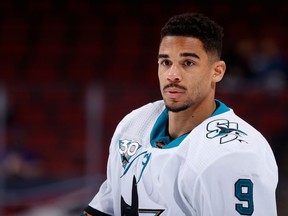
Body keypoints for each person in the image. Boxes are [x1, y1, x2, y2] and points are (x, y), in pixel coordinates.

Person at [82, 13, 278, 216]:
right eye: (166, 62)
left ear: (217, 71)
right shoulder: (133, 125)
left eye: (188, 63)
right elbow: (105, 207)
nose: (172, 75)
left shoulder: (235, 154)